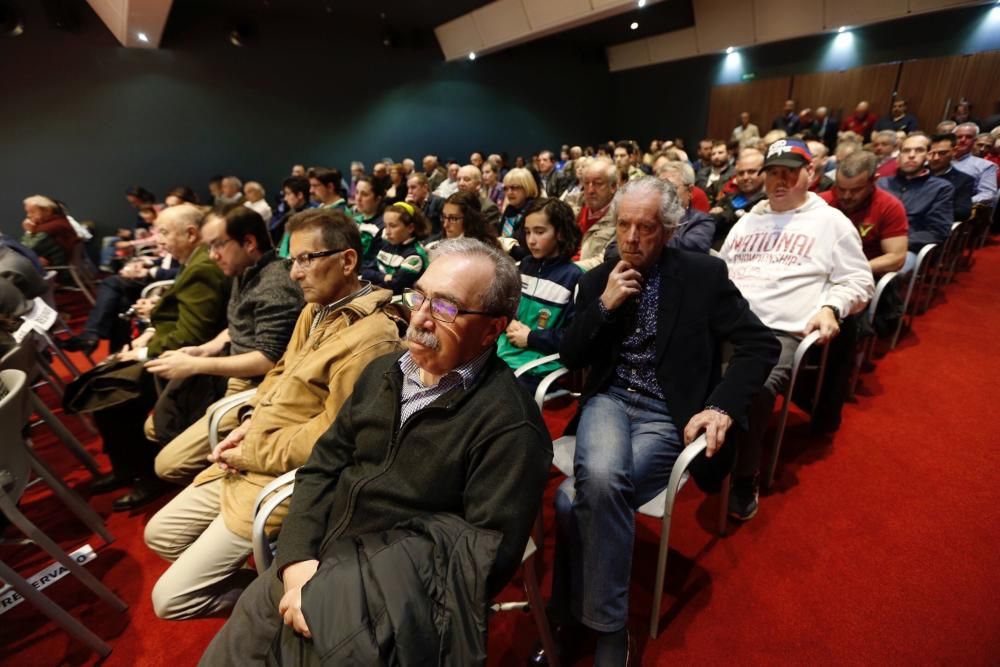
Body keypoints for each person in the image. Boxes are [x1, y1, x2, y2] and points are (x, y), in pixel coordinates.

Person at [198, 238, 551, 665]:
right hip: (310, 562)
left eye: (445, 307)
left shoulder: (511, 426)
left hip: (383, 607)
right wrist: (296, 563)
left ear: (493, 328)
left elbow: (479, 562)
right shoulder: (383, 372)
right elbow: (321, 469)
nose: (419, 317)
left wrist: (333, 593)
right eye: (418, 295)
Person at [542, 176, 779, 666]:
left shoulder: (702, 276)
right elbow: (571, 352)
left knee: (571, 499)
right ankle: (610, 628)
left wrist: (721, 406)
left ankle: (570, 618)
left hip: (666, 414)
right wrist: (605, 305)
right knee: (602, 480)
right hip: (608, 401)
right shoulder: (596, 279)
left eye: (645, 227)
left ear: (668, 230)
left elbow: (761, 345)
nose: (631, 237)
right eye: (624, 224)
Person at [144, 209, 405, 620]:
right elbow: (279, 375)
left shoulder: (372, 340)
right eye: (291, 260)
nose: (295, 273)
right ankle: (272, 584)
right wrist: (246, 423)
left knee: (171, 600)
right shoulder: (316, 308)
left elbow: (333, 439)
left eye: (306, 259)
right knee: (160, 534)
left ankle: (276, 601)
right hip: (254, 450)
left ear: (348, 261)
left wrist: (252, 452)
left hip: (283, 476)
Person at [720, 139, 874, 521]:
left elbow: (859, 281)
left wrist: (829, 307)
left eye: (791, 171)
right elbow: (719, 274)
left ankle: (744, 473)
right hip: (725, 322)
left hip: (778, 332)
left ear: (812, 174)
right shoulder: (747, 221)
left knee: (752, 390)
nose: (780, 180)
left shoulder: (832, 222)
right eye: (773, 173)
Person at [88, 203, 230, 511]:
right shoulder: (192, 261)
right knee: (102, 381)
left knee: (111, 394)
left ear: (191, 233)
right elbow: (181, 317)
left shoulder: (202, 267)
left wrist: (141, 351)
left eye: (164, 232)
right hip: (169, 347)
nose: (157, 239)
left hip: (186, 359)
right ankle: (127, 469)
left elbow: (193, 335)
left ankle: (145, 475)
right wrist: (150, 332)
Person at [145, 206, 303, 481]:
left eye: (218, 244)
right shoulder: (244, 270)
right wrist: (209, 347)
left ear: (249, 242)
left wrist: (196, 364)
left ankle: (217, 480)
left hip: (255, 385)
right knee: (153, 427)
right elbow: (238, 326)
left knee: (167, 465)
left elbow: (267, 359)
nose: (212, 255)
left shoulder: (274, 284)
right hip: (230, 369)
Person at [497, 198, 582, 388]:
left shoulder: (574, 278)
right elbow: (505, 305)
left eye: (540, 232)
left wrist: (531, 338)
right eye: (527, 232)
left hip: (538, 367)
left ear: (560, 233)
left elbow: (573, 338)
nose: (531, 240)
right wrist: (509, 320)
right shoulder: (525, 265)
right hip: (504, 353)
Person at [820, 150, 908, 276]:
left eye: (856, 190)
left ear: (874, 180)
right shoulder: (820, 202)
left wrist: (851, 270)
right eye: (841, 188)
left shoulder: (889, 206)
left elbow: (896, 258)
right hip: (822, 270)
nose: (846, 196)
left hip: (865, 274)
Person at [877, 134, 955, 271]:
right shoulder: (881, 183)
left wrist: (896, 243)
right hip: (871, 241)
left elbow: (937, 231)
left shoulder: (941, 188)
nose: (911, 155)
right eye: (906, 151)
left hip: (909, 247)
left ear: (928, 156)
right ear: (898, 156)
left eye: (919, 150)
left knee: (888, 273)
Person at [364, 202, 430, 295]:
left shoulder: (415, 255)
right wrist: (385, 277)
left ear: (410, 228)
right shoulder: (387, 246)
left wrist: (376, 278)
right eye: (385, 226)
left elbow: (394, 287)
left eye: (393, 226)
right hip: (377, 294)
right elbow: (366, 272)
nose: (387, 232)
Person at [710, 148, 766, 246]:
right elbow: (710, 221)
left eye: (751, 172)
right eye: (740, 173)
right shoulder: (728, 198)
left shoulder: (771, 201)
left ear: (765, 172)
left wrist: (723, 214)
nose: (745, 177)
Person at [927, 133, 976, 223]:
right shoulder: (918, 172)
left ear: (954, 151)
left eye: (942, 153)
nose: (936, 158)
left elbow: (963, 212)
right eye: (932, 153)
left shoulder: (964, 179)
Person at [430, 191, 501, 250]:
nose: (445, 225)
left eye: (453, 219)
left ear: (470, 219)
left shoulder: (483, 250)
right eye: (444, 217)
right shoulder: (442, 244)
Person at [20, 195, 79, 267]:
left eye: (32, 212)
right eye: (27, 212)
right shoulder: (60, 221)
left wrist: (30, 232)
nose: (28, 216)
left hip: (59, 274)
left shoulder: (49, 229)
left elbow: (23, 251)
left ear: (47, 211)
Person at [952, 123, 998, 205]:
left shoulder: (986, 166)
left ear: (974, 140)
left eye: (968, 137)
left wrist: (962, 203)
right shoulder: (939, 158)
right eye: (959, 137)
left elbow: (988, 194)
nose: (963, 140)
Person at [499, 167, 538, 259]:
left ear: (527, 187)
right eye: (506, 188)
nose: (509, 192)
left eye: (514, 187)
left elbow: (531, 251)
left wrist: (508, 247)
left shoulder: (535, 209)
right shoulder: (510, 209)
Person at [271, 176, 311, 256]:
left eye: (288, 194)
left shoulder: (309, 218)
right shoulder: (291, 213)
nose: (285, 199)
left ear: (300, 195)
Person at [455, 164, 500, 230]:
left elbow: (486, 237)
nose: (461, 183)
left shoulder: (489, 208)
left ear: (478, 185)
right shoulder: (453, 204)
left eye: (466, 179)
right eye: (458, 179)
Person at [405, 173, 445, 237]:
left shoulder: (439, 202)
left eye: (413, 187)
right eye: (408, 188)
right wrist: (409, 207)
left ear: (425, 187)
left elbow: (443, 230)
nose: (409, 191)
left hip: (432, 241)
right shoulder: (412, 204)